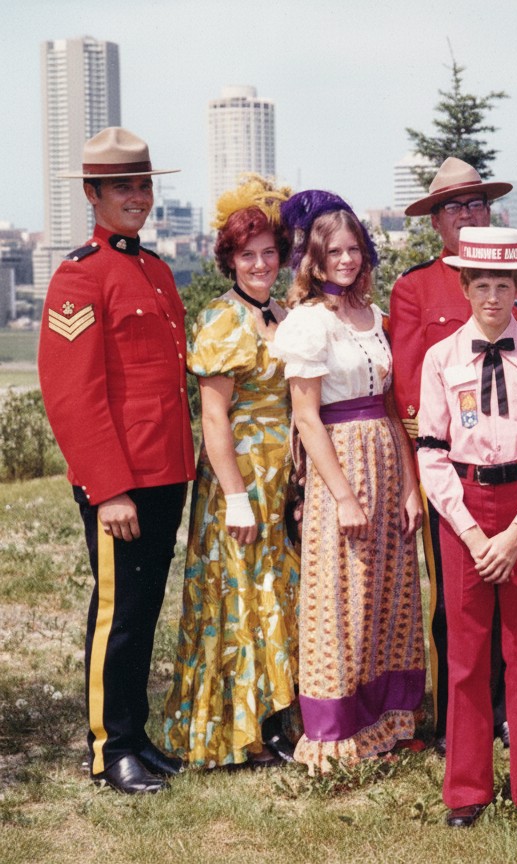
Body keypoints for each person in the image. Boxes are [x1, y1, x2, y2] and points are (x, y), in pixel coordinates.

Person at [38, 127, 194, 794]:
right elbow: (72, 394)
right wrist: (107, 489)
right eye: (123, 187)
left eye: (144, 185)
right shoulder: (80, 275)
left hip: (165, 472)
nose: (138, 198)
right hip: (123, 482)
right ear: (93, 194)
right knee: (119, 615)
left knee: (144, 609)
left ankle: (136, 735)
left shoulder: (155, 270)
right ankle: (110, 750)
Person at [416, 227, 517, 827]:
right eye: (481, 285)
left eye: (503, 285)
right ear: (464, 286)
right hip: (464, 510)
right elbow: (431, 451)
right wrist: (476, 534)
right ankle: (468, 789)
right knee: (467, 652)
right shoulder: (441, 359)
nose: (492, 298)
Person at [273, 190, 425, 772]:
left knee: (388, 591)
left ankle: (388, 719)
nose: (346, 259)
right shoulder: (310, 323)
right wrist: (340, 494)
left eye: (354, 249)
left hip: (386, 455)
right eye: (334, 251)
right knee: (341, 594)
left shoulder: (374, 316)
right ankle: (336, 730)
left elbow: (391, 404)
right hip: (340, 461)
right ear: (313, 257)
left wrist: (411, 486)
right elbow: (306, 417)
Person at [391, 157, 517, 754]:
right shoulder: (414, 288)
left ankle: (507, 712)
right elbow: (408, 391)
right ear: (435, 222)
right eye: (454, 207)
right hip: (452, 471)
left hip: (515, 472)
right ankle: (458, 720)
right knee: (457, 603)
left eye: (477, 204)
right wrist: (419, 480)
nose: (469, 214)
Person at [162, 176, 301, 769]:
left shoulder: (284, 311)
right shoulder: (223, 320)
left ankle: (278, 716)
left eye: (270, 253)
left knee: (280, 594)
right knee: (243, 596)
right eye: (249, 255)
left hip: (285, 473)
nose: (261, 264)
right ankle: (242, 729)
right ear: (230, 260)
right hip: (239, 475)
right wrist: (236, 497)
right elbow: (213, 416)